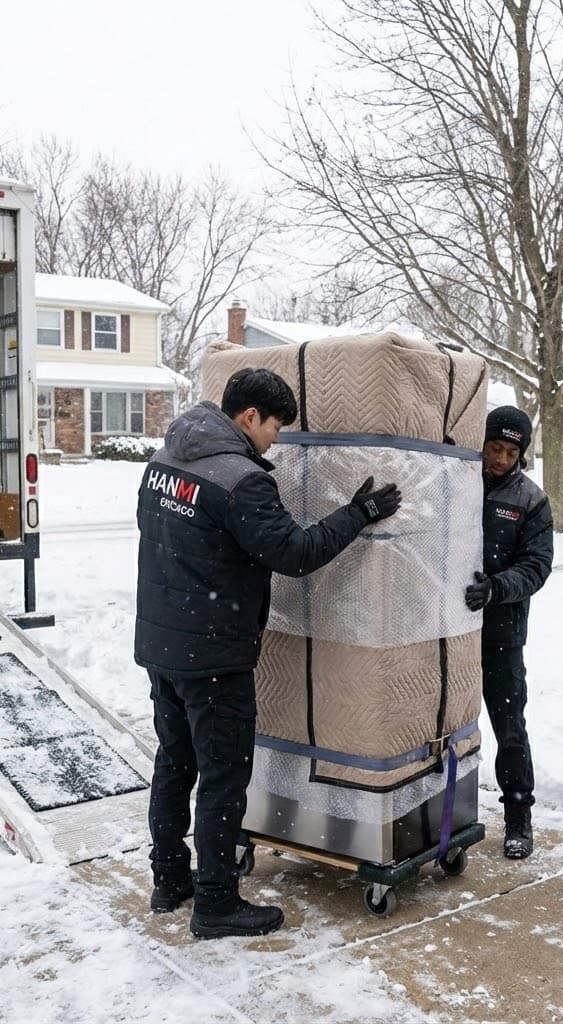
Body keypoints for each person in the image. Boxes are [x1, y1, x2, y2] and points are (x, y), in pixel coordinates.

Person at [135, 367, 402, 940]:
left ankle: (168, 879)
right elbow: (295, 553)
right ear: (248, 416)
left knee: (174, 764)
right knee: (223, 778)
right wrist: (359, 513)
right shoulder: (239, 479)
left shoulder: (165, 461)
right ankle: (216, 904)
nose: (277, 439)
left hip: (164, 644)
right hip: (213, 655)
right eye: (275, 426)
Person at [464, 406, 553, 859]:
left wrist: (496, 588)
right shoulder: (458, 481)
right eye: (493, 447)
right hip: (450, 631)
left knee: (509, 728)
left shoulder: (530, 500)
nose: (499, 458)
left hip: (501, 634)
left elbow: (537, 567)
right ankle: (442, 811)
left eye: (509, 451)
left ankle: (519, 817)